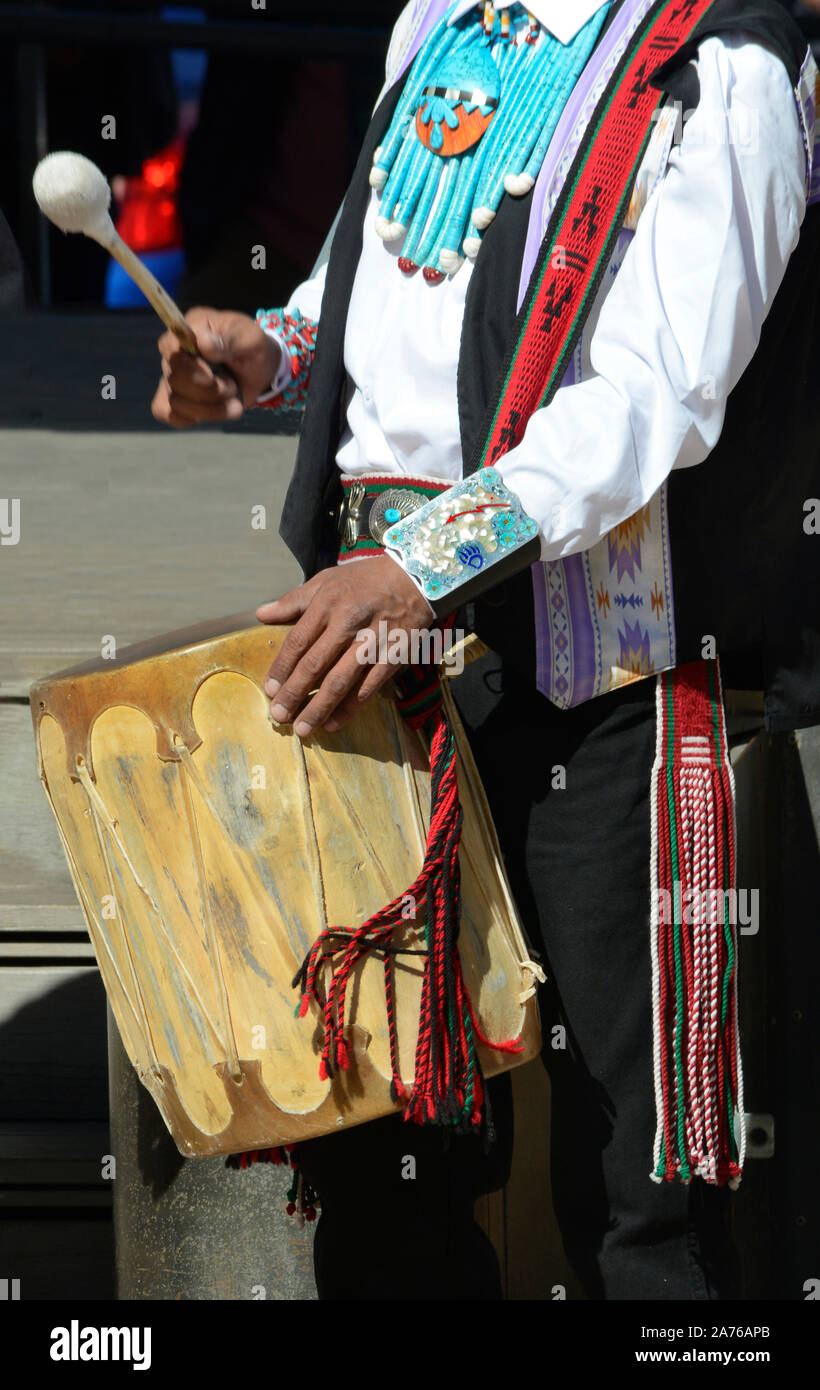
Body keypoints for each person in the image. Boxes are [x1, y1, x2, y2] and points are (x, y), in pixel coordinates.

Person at [152, 0, 820, 1300]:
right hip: (385, 666)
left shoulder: (725, 64)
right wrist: (275, 348)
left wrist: (418, 564)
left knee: (642, 1201)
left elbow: (656, 394)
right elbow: (385, 274)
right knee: (387, 1161)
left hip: (598, 683)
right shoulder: (438, 17)